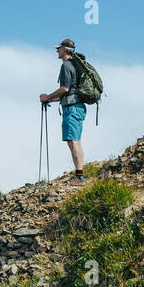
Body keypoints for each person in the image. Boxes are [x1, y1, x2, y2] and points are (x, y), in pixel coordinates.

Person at [39, 38, 86, 184]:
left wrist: (47, 96)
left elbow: (65, 89)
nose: (57, 51)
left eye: (58, 49)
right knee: (74, 140)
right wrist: (50, 100)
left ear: (65, 50)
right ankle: (79, 174)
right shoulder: (75, 66)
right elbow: (69, 93)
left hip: (72, 108)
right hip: (76, 106)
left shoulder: (66, 65)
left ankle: (80, 177)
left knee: (73, 141)